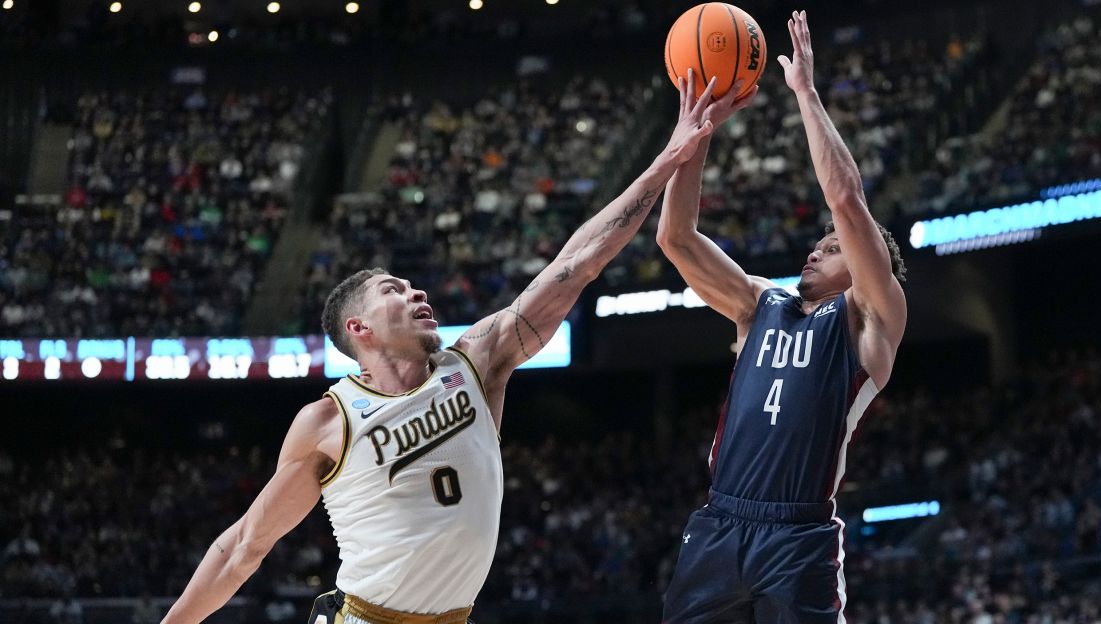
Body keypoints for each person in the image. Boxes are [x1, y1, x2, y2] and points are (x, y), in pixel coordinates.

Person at [162, 78, 721, 624]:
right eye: (394, 290)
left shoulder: (476, 362)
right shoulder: (328, 420)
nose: (416, 292)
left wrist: (667, 160)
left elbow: (577, 265)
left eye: (410, 285)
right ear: (359, 328)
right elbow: (243, 547)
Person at [656, 11, 908, 623]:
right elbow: (677, 237)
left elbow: (846, 200)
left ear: (867, 265)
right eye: (817, 245)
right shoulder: (759, 303)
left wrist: (807, 95)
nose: (814, 250)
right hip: (719, 521)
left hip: (798, 538)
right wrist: (699, 131)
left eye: (831, 248)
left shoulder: (871, 318)